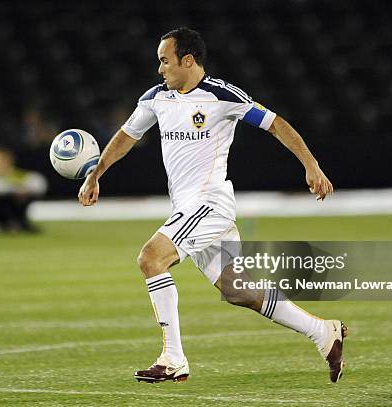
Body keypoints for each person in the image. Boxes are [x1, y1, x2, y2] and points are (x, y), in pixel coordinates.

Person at [78, 27, 347, 383]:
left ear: (187, 60)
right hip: (188, 208)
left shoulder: (221, 96)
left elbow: (276, 124)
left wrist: (311, 164)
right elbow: (128, 136)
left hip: (208, 205)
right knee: (239, 291)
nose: (160, 70)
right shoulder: (157, 98)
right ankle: (322, 331)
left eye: (164, 61)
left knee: (150, 258)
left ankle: (173, 358)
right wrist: (95, 174)